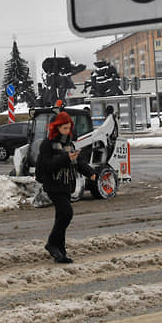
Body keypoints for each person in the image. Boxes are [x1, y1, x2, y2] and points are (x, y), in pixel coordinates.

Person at [37, 111, 96, 264]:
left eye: (69, 128)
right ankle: (51, 243)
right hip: (53, 185)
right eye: (64, 128)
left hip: (66, 184)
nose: (67, 131)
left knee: (61, 217)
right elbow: (47, 165)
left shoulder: (69, 143)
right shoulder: (47, 144)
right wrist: (65, 158)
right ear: (57, 128)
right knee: (67, 214)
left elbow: (78, 162)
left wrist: (90, 173)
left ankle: (60, 253)